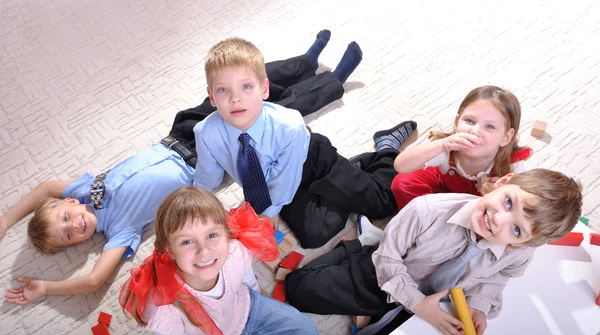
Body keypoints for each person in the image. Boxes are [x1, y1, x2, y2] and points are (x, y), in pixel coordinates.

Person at [1, 32, 354, 305]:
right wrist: (46, 287)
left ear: (70, 204)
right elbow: (94, 281)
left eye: (64, 218)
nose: (73, 226)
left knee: (237, 88)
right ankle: (332, 82)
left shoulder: (83, 190)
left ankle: (304, 62)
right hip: (205, 157)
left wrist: (6, 218)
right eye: (68, 237)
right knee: (272, 115)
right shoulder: (119, 232)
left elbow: (46, 186)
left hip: (179, 133)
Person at [285, 169, 583, 335]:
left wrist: (478, 307)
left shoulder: (519, 253)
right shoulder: (427, 210)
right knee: (299, 291)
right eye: (508, 202)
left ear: (526, 242)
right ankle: (359, 245)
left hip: (435, 297)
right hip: (385, 273)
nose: (499, 219)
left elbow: (497, 277)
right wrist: (416, 303)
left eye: (516, 229)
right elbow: (388, 259)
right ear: (503, 181)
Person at [193, 35, 417, 249]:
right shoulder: (205, 133)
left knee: (383, 203)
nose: (235, 98)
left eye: (246, 86)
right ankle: (353, 170)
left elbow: (285, 180)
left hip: (313, 162)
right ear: (211, 97)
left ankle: (386, 148)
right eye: (223, 90)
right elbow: (206, 177)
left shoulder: (289, 126)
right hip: (275, 183)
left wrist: (268, 213)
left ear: (264, 89)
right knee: (314, 235)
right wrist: (198, 209)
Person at [119, 186, 318, 335]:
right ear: (169, 250)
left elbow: (244, 274)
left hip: (245, 308)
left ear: (226, 233)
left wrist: (259, 296)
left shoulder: (233, 251)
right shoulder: (164, 306)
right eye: (187, 241)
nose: (204, 251)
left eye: (212, 235)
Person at [391, 85, 532, 210]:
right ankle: (423, 221)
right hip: (442, 190)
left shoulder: (514, 164)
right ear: (457, 121)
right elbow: (400, 166)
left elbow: (531, 201)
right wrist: (441, 145)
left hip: (479, 206)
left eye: (489, 126)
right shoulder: (446, 147)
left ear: (505, 138)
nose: (475, 131)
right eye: (470, 121)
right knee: (402, 183)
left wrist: (507, 190)